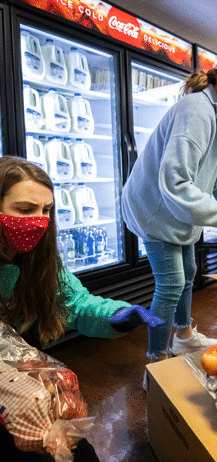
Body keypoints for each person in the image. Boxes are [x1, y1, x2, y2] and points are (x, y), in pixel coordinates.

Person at [121, 37, 217, 383]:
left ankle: (183, 336)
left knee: (189, 270)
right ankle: (157, 361)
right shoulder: (195, 110)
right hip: (155, 208)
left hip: (180, 210)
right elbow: (175, 183)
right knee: (171, 282)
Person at [0, 156, 163, 461]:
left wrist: (116, 316)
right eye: (25, 210)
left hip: (30, 385)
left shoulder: (41, 259)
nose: (39, 220)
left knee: (81, 453)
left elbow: (76, 305)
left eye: (46, 210)